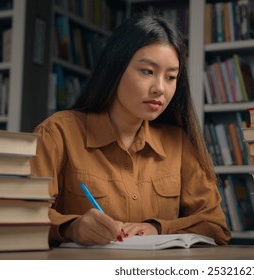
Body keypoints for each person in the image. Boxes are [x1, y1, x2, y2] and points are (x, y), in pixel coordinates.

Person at [31, 15, 232, 247]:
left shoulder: (178, 142)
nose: (160, 88)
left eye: (171, 77)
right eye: (147, 71)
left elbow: (216, 227)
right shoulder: (57, 133)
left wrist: (158, 227)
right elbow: (20, 216)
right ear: (115, 68)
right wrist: (71, 227)